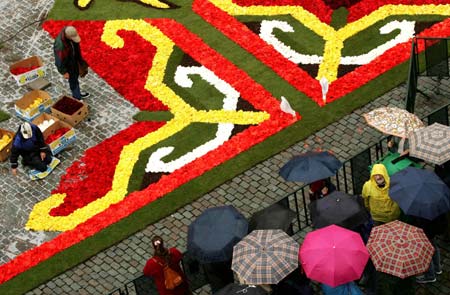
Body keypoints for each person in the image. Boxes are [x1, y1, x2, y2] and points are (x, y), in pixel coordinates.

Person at [406, 213, 448, 283]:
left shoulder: (418, 209)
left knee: (426, 253)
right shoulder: (435, 204)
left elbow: (415, 223)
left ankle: (430, 276)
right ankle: (437, 268)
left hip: (424, 232)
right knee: (434, 247)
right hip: (433, 230)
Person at [53, 25, 89, 100]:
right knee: (73, 80)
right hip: (68, 65)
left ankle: (77, 93)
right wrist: (64, 72)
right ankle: (77, 97)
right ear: (67, 36)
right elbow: (59, 61)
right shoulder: (60, 46)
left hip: (73, 59)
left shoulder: (68, 32)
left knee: (75, 77)